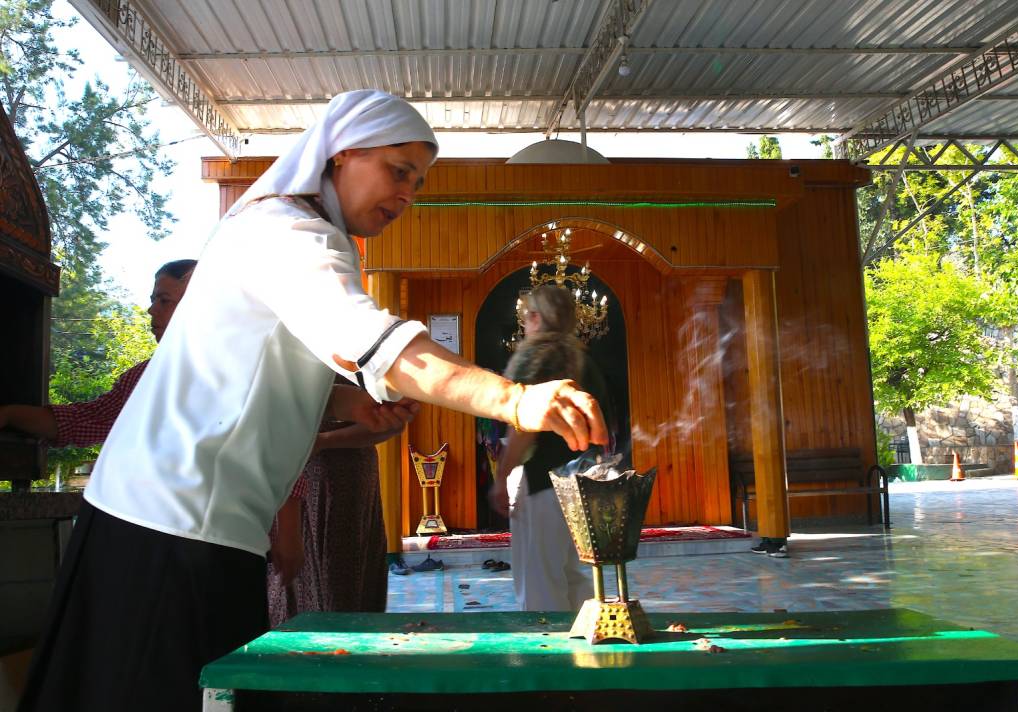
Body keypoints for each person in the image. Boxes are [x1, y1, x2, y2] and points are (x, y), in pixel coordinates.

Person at [18, 90, 606, 712]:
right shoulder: (287, 231)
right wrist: (513, 398)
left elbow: (253, 370)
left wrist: (345, 406)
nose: (408, 193)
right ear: (340, 154)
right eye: (398, 171)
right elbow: (378, 342)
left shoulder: (299, 232)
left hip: (196, 522)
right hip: (167, 522)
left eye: (418, 181)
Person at [489, 285, 610, 611]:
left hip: (544, 484)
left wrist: (501, 478)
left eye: (526, 317)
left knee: (538, 582)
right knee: (572, 574)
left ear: (536, 317)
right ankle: (584, 649)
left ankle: (544, 656)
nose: (525, 324)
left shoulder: (537, 359)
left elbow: (524, 429)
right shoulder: (584, 361)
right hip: (585, 485)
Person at [266, 375, 414, 625]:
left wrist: (324, 441)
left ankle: (343, 652)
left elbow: (394, 422)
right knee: (295, 583)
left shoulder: (360, 355)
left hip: (344, 479)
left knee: (340, 584)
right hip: (299, 474)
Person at [0, 259, 196, 445]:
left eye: (164, 300)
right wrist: (9, 414)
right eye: (153, 300)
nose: (151, 310)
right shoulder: (144, 377)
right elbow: (85, 420)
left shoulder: (225, 370)